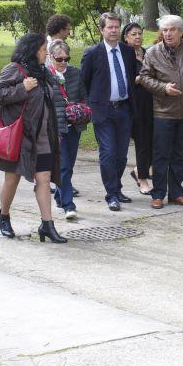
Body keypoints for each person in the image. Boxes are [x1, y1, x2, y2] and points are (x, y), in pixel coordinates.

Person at [0, 33, 66, 243]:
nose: (45, 53)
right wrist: (23, 88)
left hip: (43, 137)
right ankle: (4, 215)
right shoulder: (14, 69)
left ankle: (47, 225)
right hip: (21, 138)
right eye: (42, 49)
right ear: (32, 50)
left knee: (44, 180)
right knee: (12, 180)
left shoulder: (44, 72)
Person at [138, 15, 183, 209]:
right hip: (163, 111)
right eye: (165, 30)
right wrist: (163, 88)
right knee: (161, 155)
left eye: (172, 30)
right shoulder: (153, 52)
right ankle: (158, 194)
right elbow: (144, 77)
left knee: (179, 155)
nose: (168, 34)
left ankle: (176, 193)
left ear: (181, 31)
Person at [81, 12, 137, 211]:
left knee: (121, 155)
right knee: (108, 153)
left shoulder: (128, 52)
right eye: (110, 27)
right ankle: (111, 194)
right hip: (102, 111)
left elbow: (132, 79)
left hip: (124, 110)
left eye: (116, 27)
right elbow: (84, 83)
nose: (114, 30)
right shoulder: (92, 53)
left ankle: (117, 187)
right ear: (101, 29)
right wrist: (89, 107)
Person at [47, 39, 87, 220]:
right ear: (50, 57)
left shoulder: (75, 73)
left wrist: (82, 111)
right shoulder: (45, 75)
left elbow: (84, 96)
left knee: (68, 165)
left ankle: (59, 195)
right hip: (56, 128)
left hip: (74, 125)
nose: (63, 62)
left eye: (66, 58)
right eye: (59, 59)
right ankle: (68, 205)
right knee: (63, 166)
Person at [123, 22, 153, 195]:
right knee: (142, 142)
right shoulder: (123, 55)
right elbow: (123, 80)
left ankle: (138, 171)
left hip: (152, 102)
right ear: (126, 37)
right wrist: (139, 79)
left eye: (140, 33)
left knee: (154, 142)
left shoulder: (149, 53)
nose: (137, 37)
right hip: (134, 104)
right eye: (133, 34)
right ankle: (142, 179)